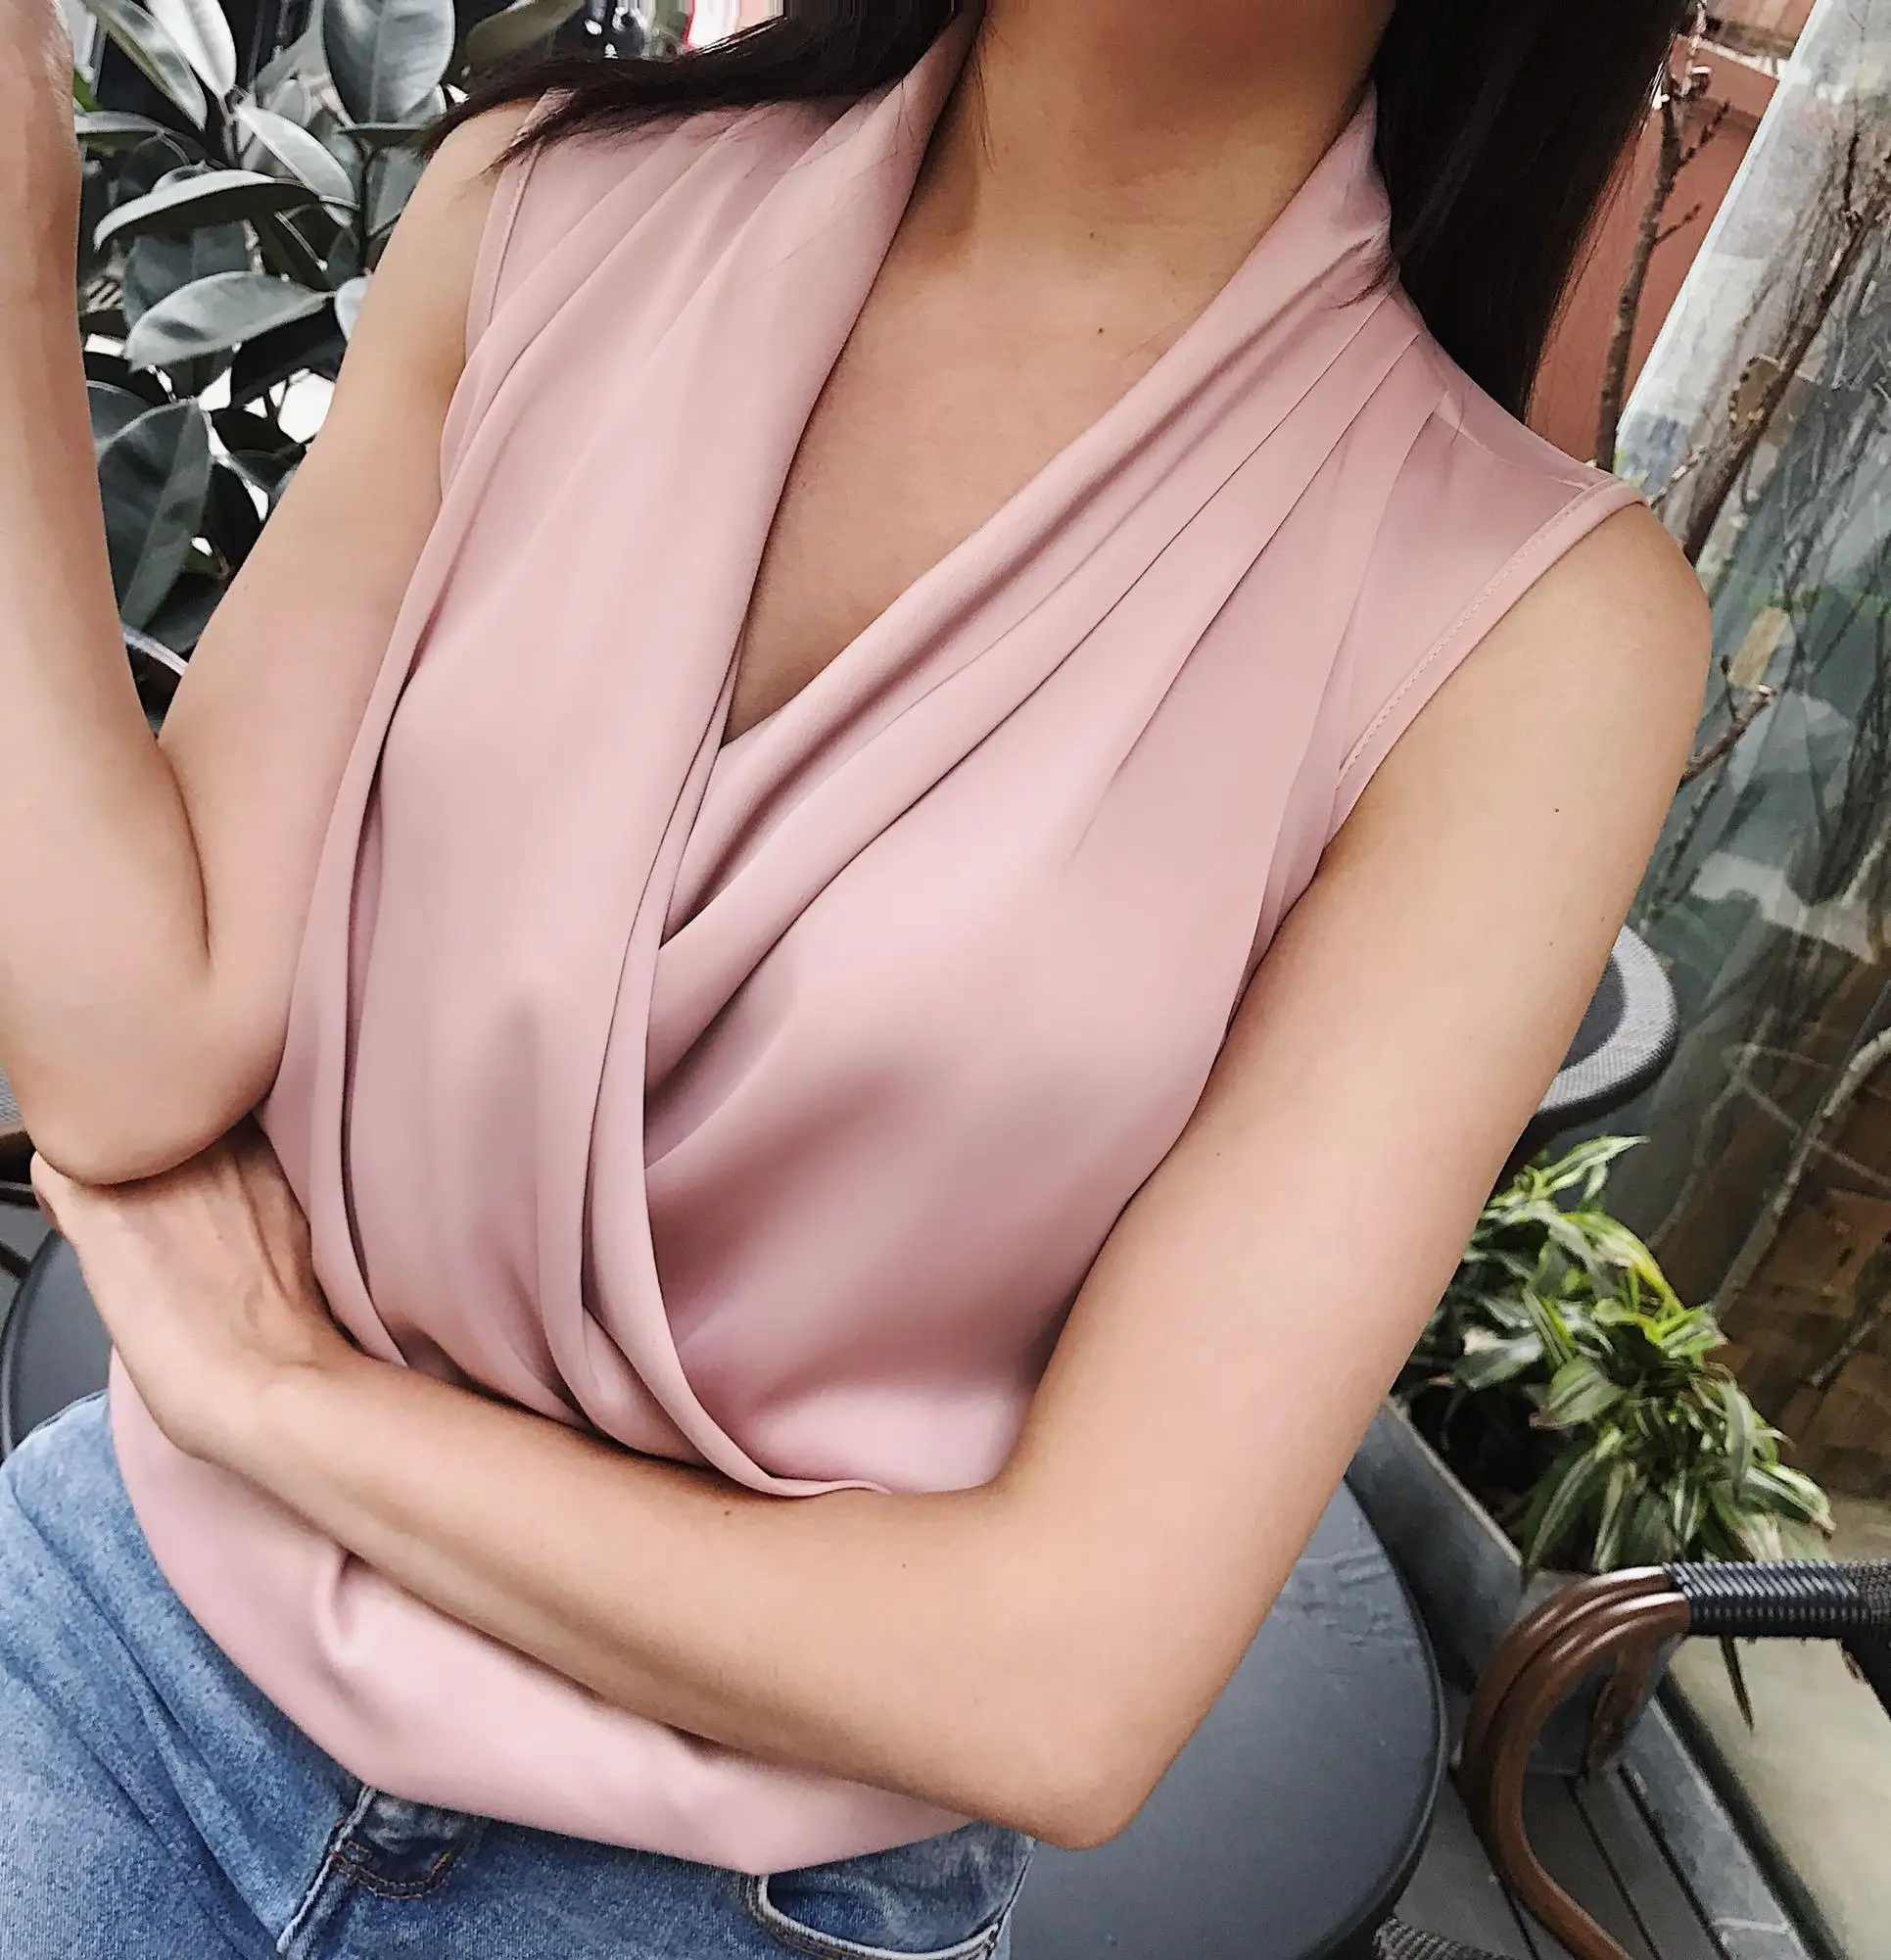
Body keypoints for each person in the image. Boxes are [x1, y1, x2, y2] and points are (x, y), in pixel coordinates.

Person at [0, 2, 1709, 1955]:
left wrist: (278, 1392)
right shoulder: (539, 205)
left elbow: (1055, 1693)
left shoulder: (1526, 628)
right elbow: (135, 1056)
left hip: (724, 1894)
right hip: (120, 1647)